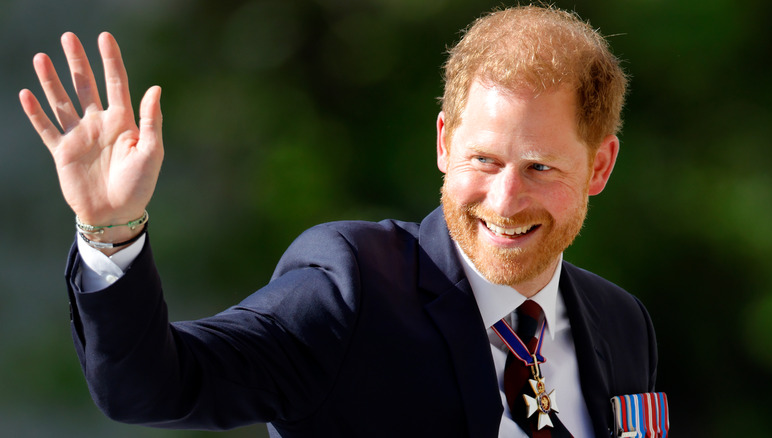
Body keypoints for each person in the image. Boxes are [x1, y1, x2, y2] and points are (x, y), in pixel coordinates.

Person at [20, 5, 660, 438]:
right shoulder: (352, 287)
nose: (504, 198)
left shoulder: (621, 322)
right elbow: (152, 388)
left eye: (541, 168)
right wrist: (114, 230)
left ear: (600, 166)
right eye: (483, 160)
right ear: (443, 143)